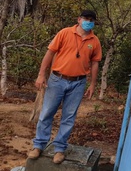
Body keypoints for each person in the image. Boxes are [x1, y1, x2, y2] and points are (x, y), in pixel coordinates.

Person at [27, 10, 102, 164]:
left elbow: (95, 63)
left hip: (78, 83)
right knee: (47, 112)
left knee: (69, 116)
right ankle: (38, 145)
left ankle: (59, 149)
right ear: (79, 19)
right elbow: (50, 53)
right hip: (57, 79)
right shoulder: (64, 33)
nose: (89, 22)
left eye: (92, 20)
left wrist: (93, 84)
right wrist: (41, 74)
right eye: (86, 19)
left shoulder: (94, 41)